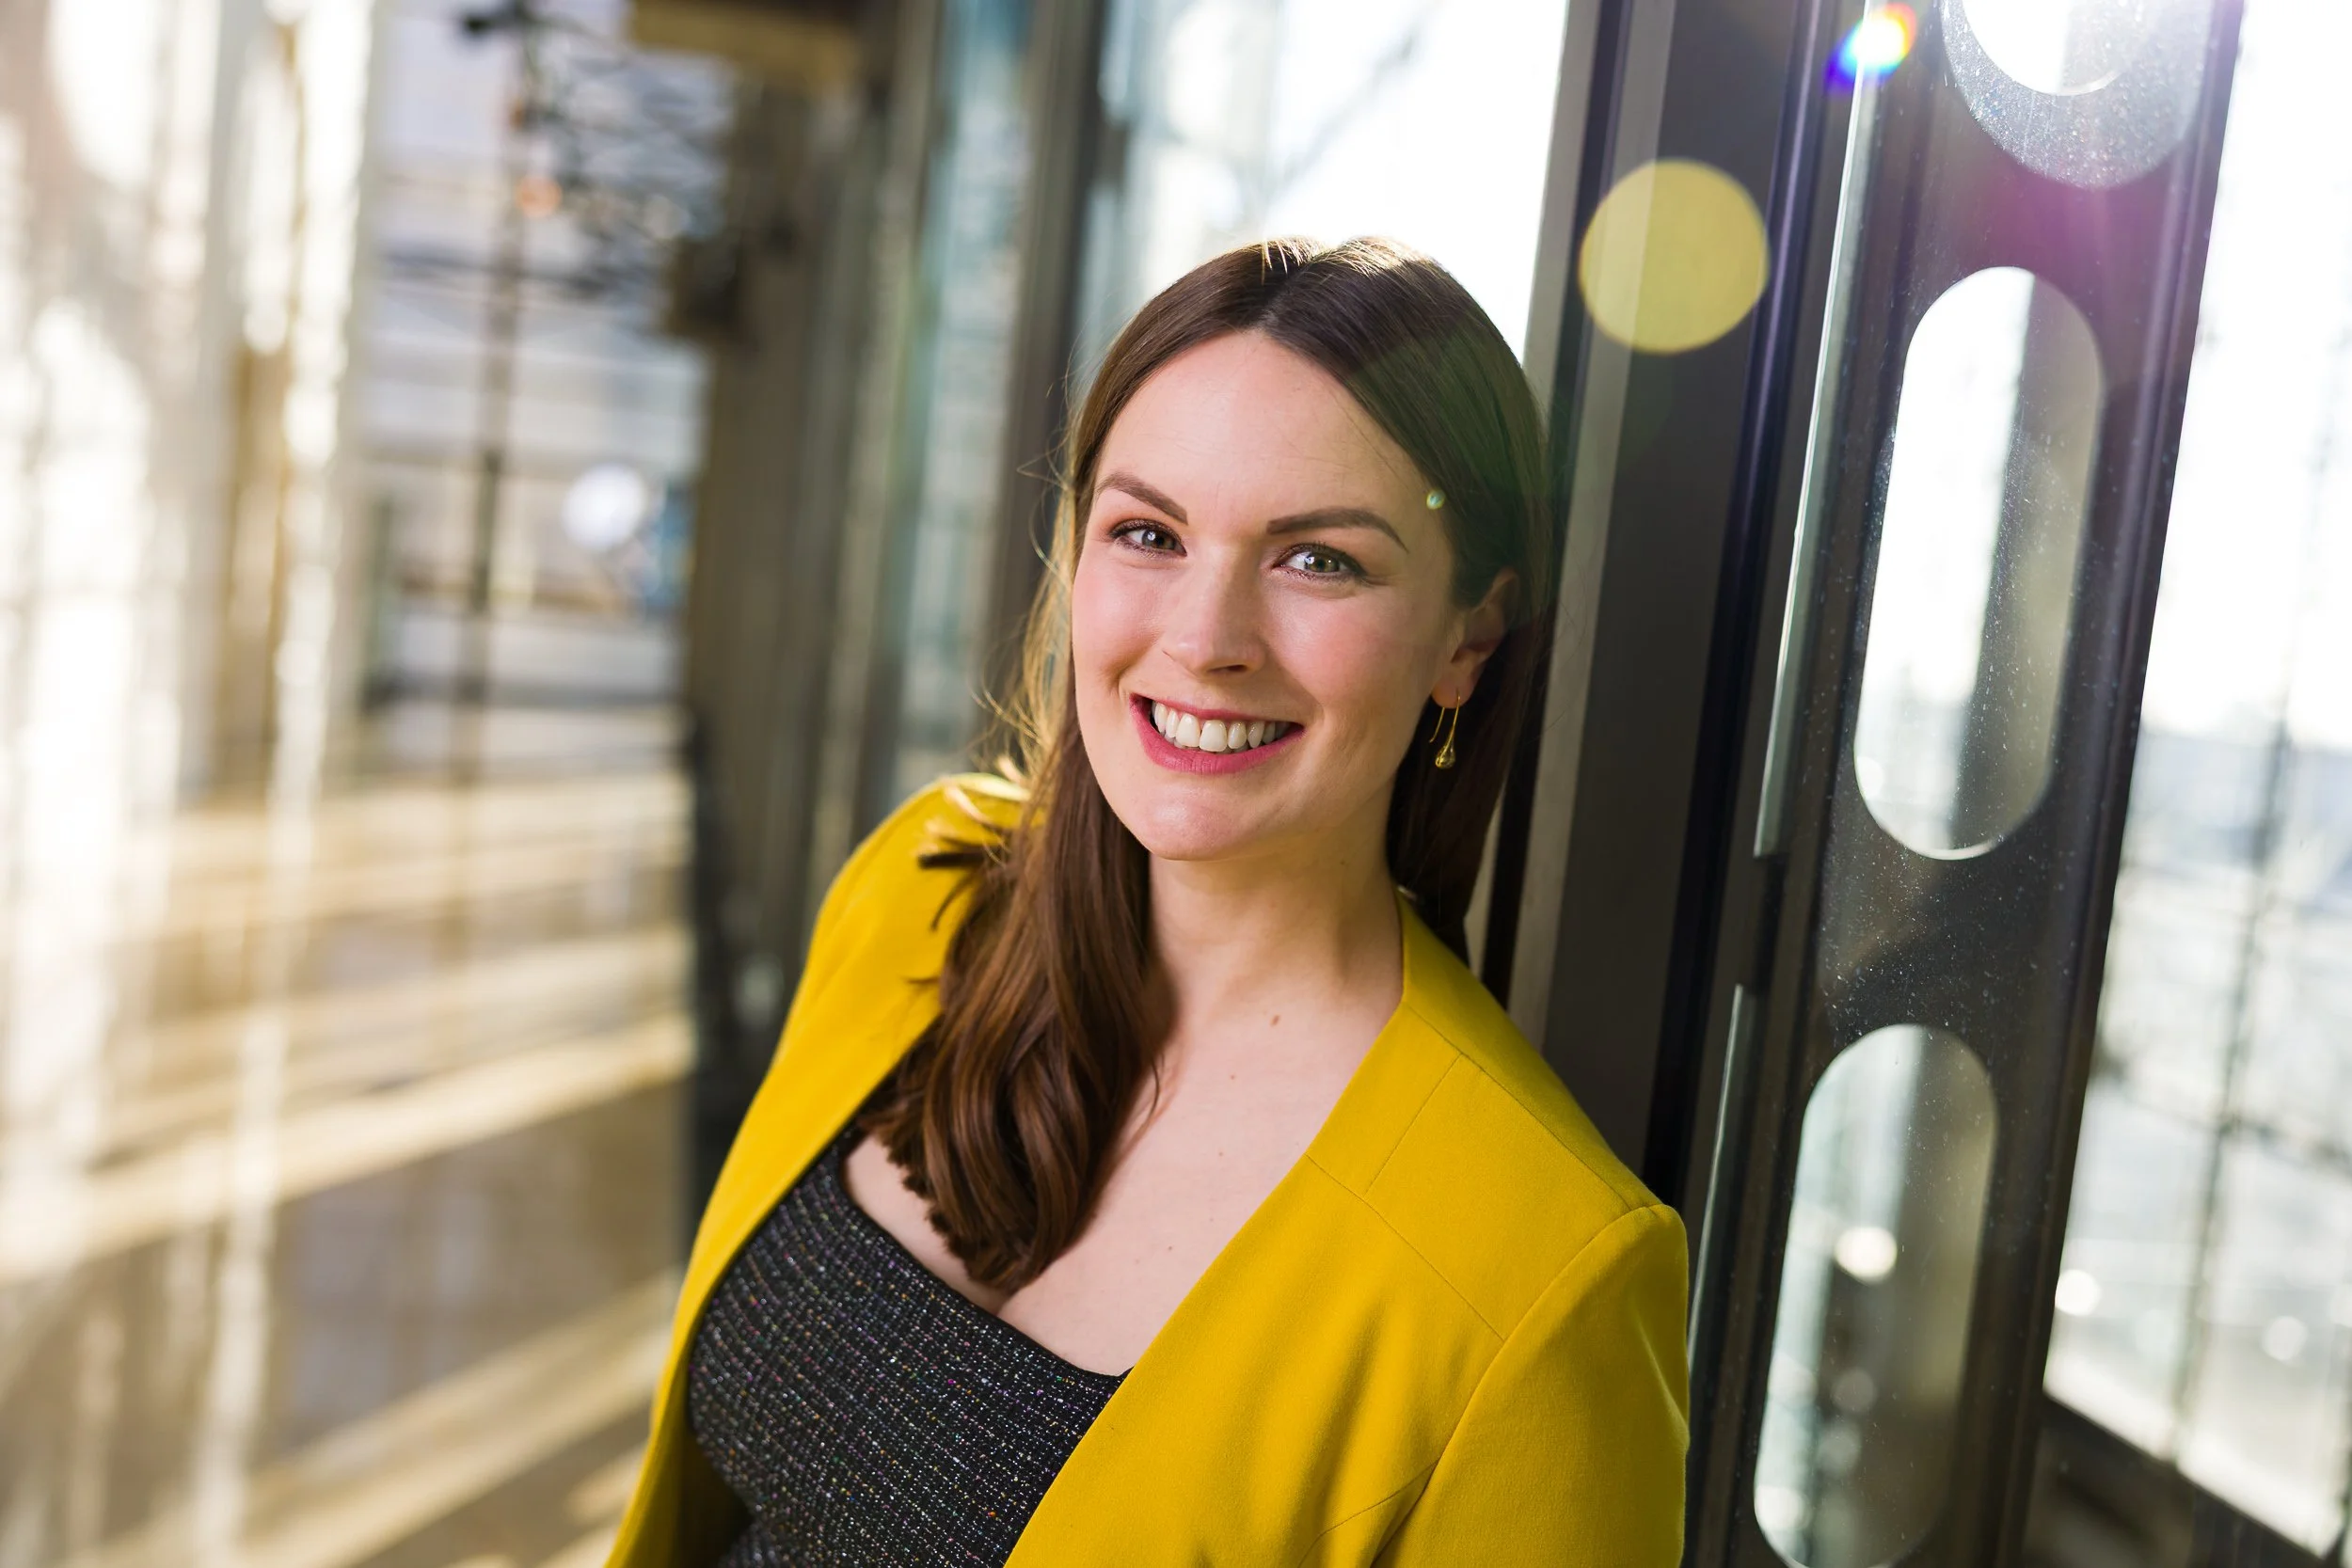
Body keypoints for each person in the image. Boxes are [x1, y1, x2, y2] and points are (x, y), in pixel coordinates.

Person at [607, 237, 1688, 1566]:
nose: (1204, 634)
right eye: (1148, 533)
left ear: (1467, 635)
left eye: (1321, 562)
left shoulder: (1545, 1270)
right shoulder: (921, 893)